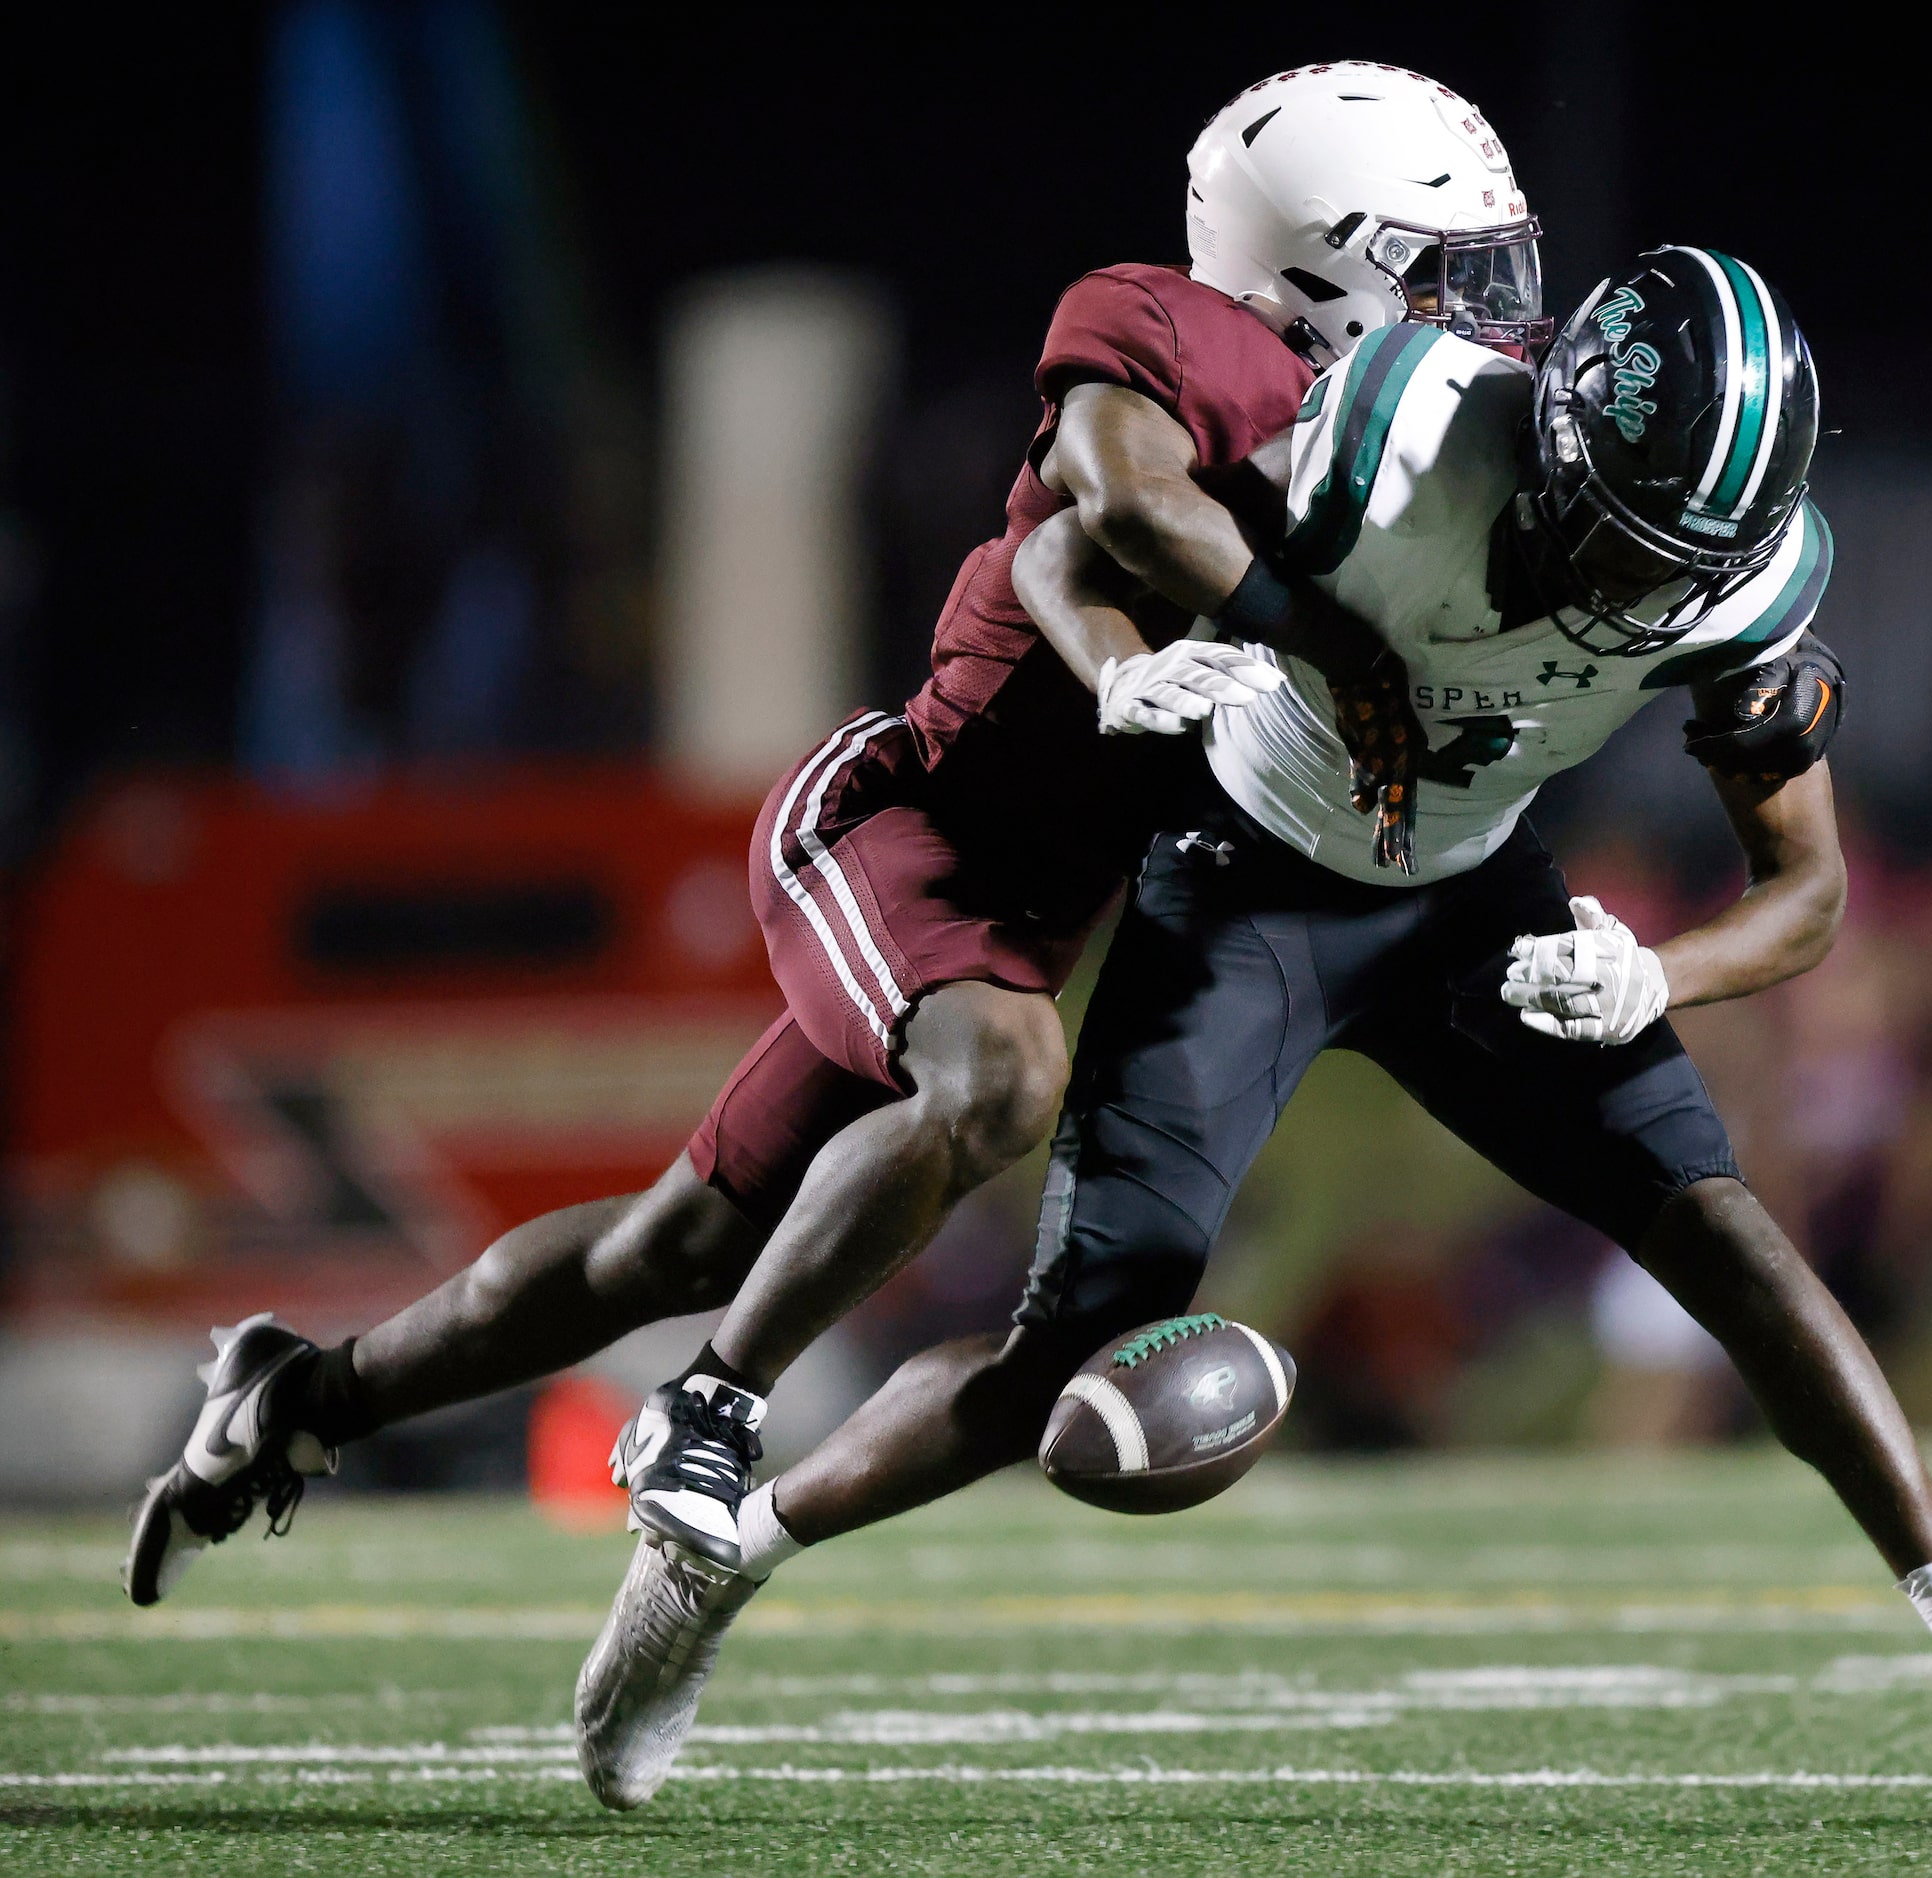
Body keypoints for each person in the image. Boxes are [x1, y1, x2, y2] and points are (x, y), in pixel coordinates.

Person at [572, 247, 1932, 1816]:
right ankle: (720, 1560)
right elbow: (1072, 543)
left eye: (1679, 568)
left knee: (1734, 1245)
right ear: (1551, 455)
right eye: (1624, 545)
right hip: (1249, 887)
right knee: (1059, 1353)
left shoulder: (1733, 564)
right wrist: (1127, 669)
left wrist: (1659, 974)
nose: (1644, 597)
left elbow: (1809, 889)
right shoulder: (1391, 442)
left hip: (1475, 894)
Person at [124, 62, 1551, 1606]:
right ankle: (713, 1407)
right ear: (1314, 262)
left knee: (670, 1247)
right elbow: (1109, 509)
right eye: (1445, 273)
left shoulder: (1399, 467)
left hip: (1027, 913)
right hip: (904, 825)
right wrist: (1275, 650)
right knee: (1000, 1078)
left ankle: (295, 1396)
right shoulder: (1176, 335)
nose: (1489, 318)